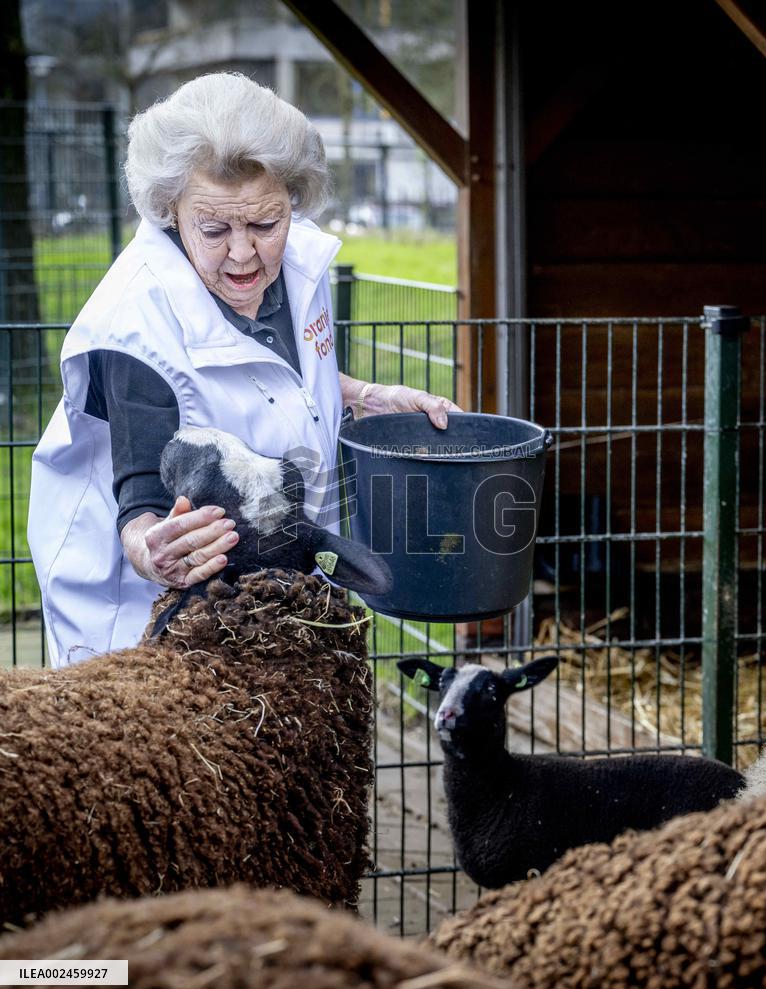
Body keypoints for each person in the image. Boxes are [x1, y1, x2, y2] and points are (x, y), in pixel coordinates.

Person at [28, 73, 460, 667]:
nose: (242, 252)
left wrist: (367, 395)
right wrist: (154, 550)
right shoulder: (137, 326)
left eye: (265, 223)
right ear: (169, 210)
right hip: (152, 609)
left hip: (267, 583)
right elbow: (139, 496)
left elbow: (275, 379)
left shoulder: (301, 263)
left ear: (292, 199)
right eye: (213, 229)